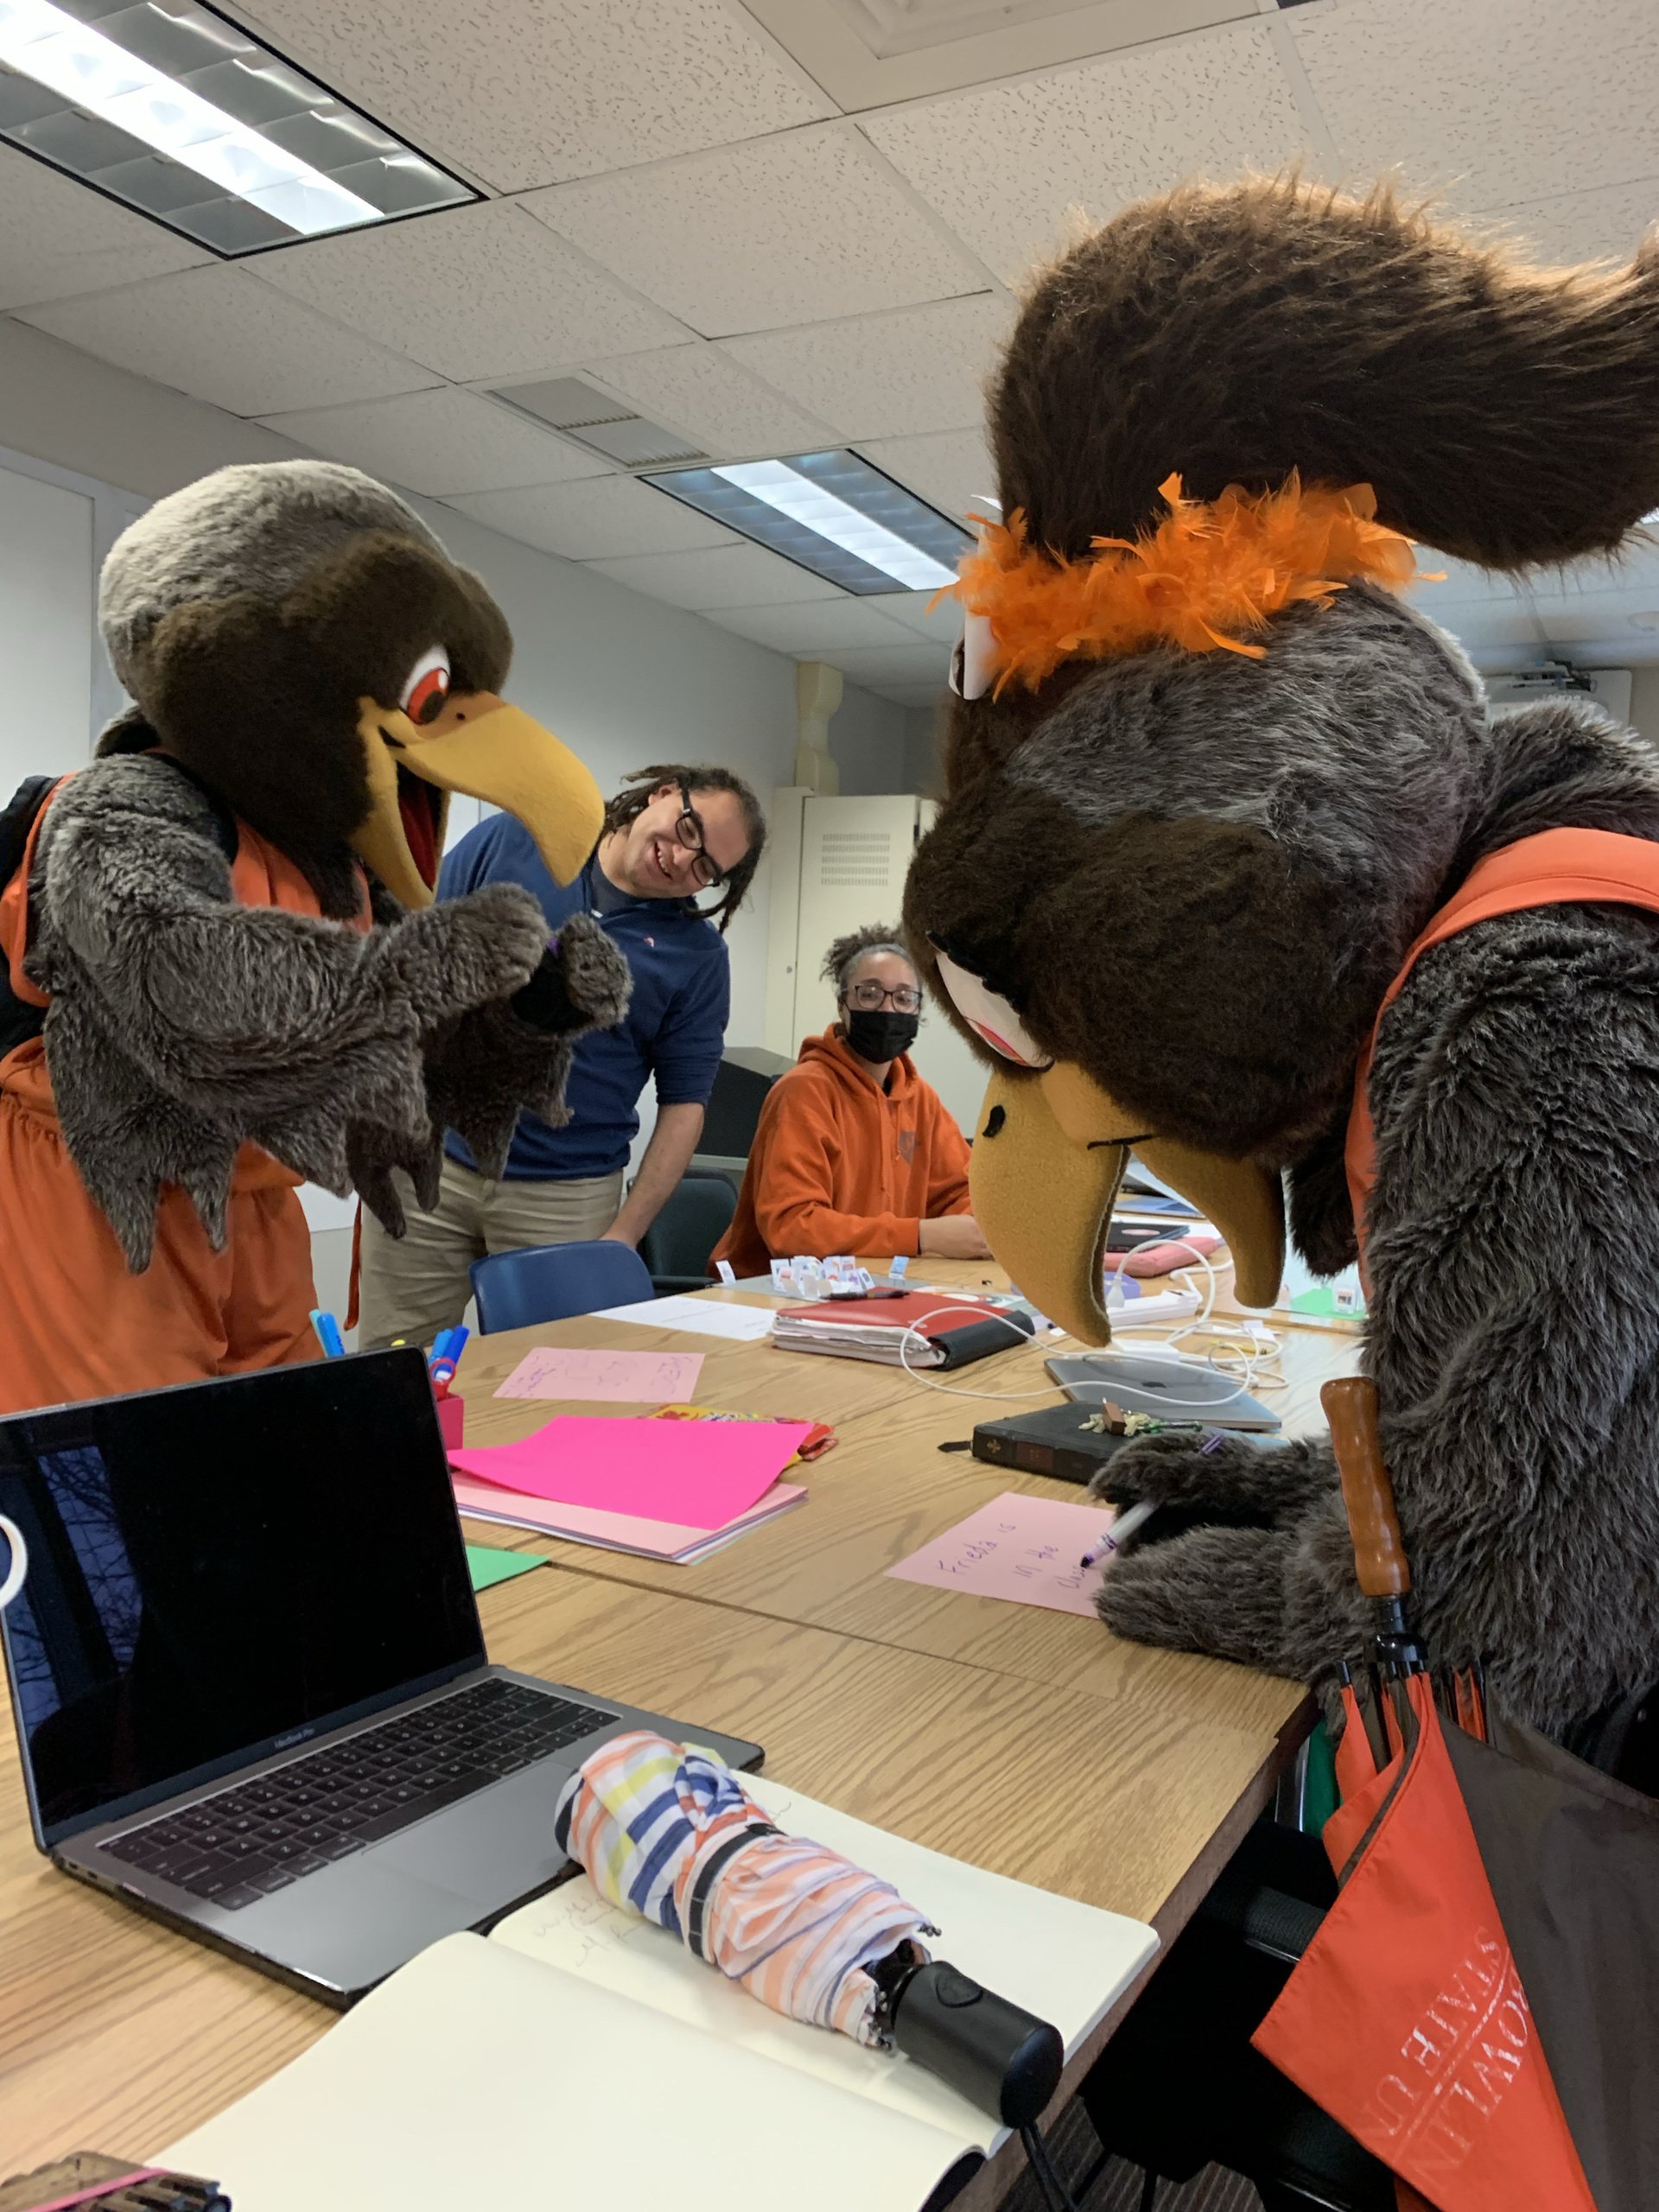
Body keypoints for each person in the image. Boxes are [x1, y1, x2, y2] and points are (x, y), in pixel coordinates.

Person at [358, 764, 765, 1347]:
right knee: (393, 1365)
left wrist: (623, 1235)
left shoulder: (696, 958)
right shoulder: (517, 840)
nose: (681, 859)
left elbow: (685, 1107)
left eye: (706, 868)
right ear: (665, 793)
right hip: (429, 1166)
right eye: (689, 829)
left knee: (558, 1385)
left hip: (565, 1198)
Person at [713, 925, 989, 1277]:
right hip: (775, 1293)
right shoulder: (804, 1092)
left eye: (904, 997)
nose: (888, 1009)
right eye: (870, 994)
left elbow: (965, 1192)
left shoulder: (920, 1100)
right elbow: (794, 1229)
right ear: (843, 1004)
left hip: (874, 1285)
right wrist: (918, 1236)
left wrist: (966, 1231)